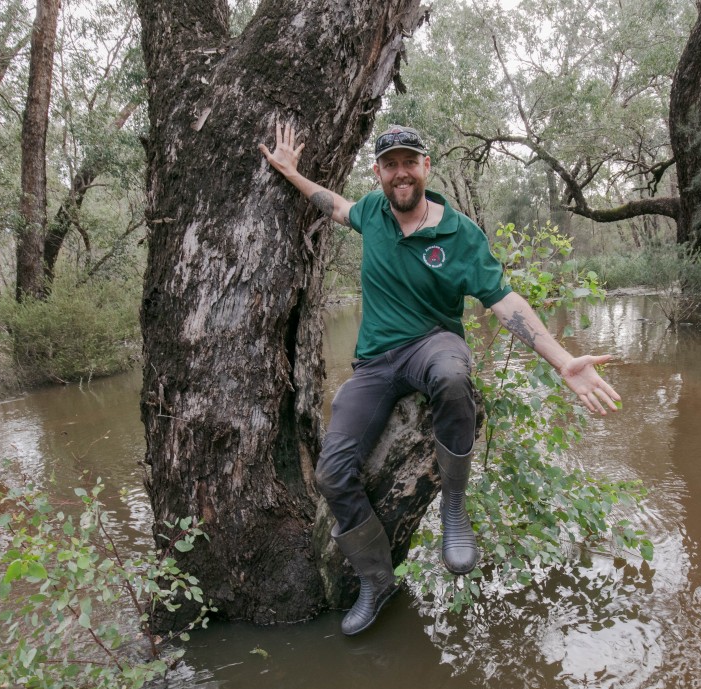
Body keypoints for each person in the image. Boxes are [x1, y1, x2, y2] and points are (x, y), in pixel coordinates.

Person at [259, 122, 621, 635]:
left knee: (453, 374)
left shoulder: (460, 233)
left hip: (434, 342)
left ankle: (455, 507)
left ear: (426, 167)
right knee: (331, 473)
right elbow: (334, 205)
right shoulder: (373, 213)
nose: (400, 172)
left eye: (410, 162)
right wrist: (292, 173)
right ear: (380, 173)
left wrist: (561, 360)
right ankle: (376, 579)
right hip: (376, 362)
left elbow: (504, 301)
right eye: (390, 164)